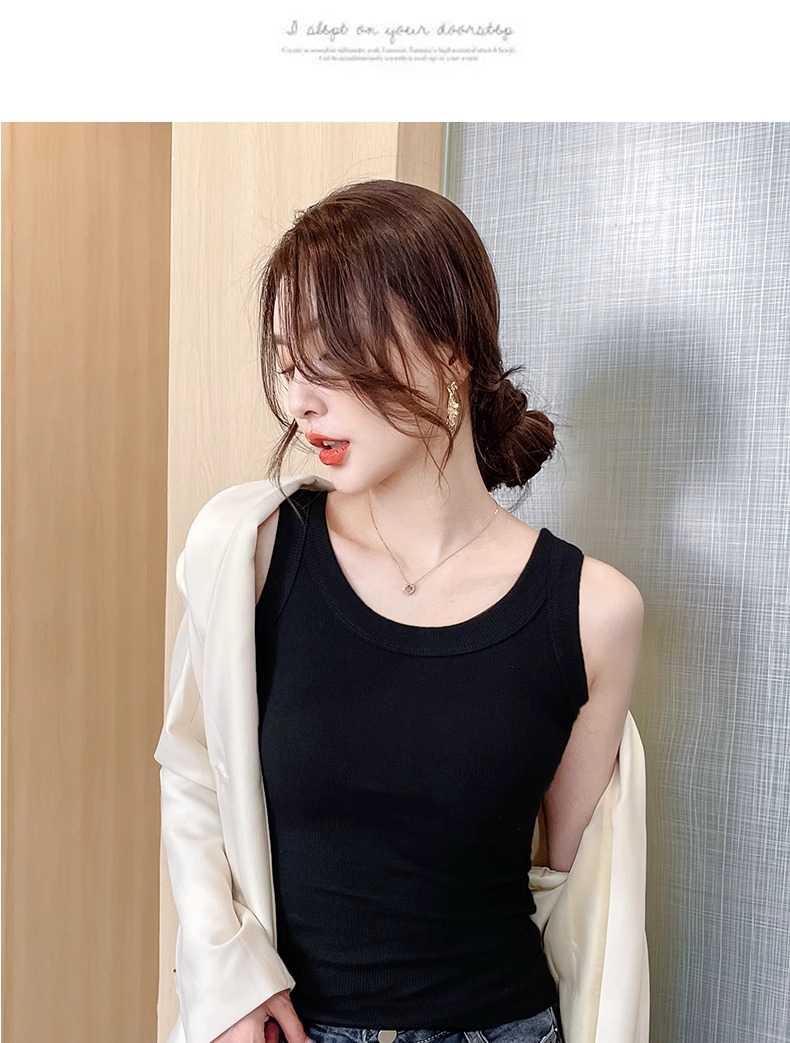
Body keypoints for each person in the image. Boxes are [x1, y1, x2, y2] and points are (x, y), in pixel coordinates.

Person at [158, 178, 646, 1043]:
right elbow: (194, 771)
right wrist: (225, 978)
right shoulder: (249, 550)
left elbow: (576, 902)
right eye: (287, 362)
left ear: (449, 350)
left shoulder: (592, 610)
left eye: (330, 354)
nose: (300, 399)